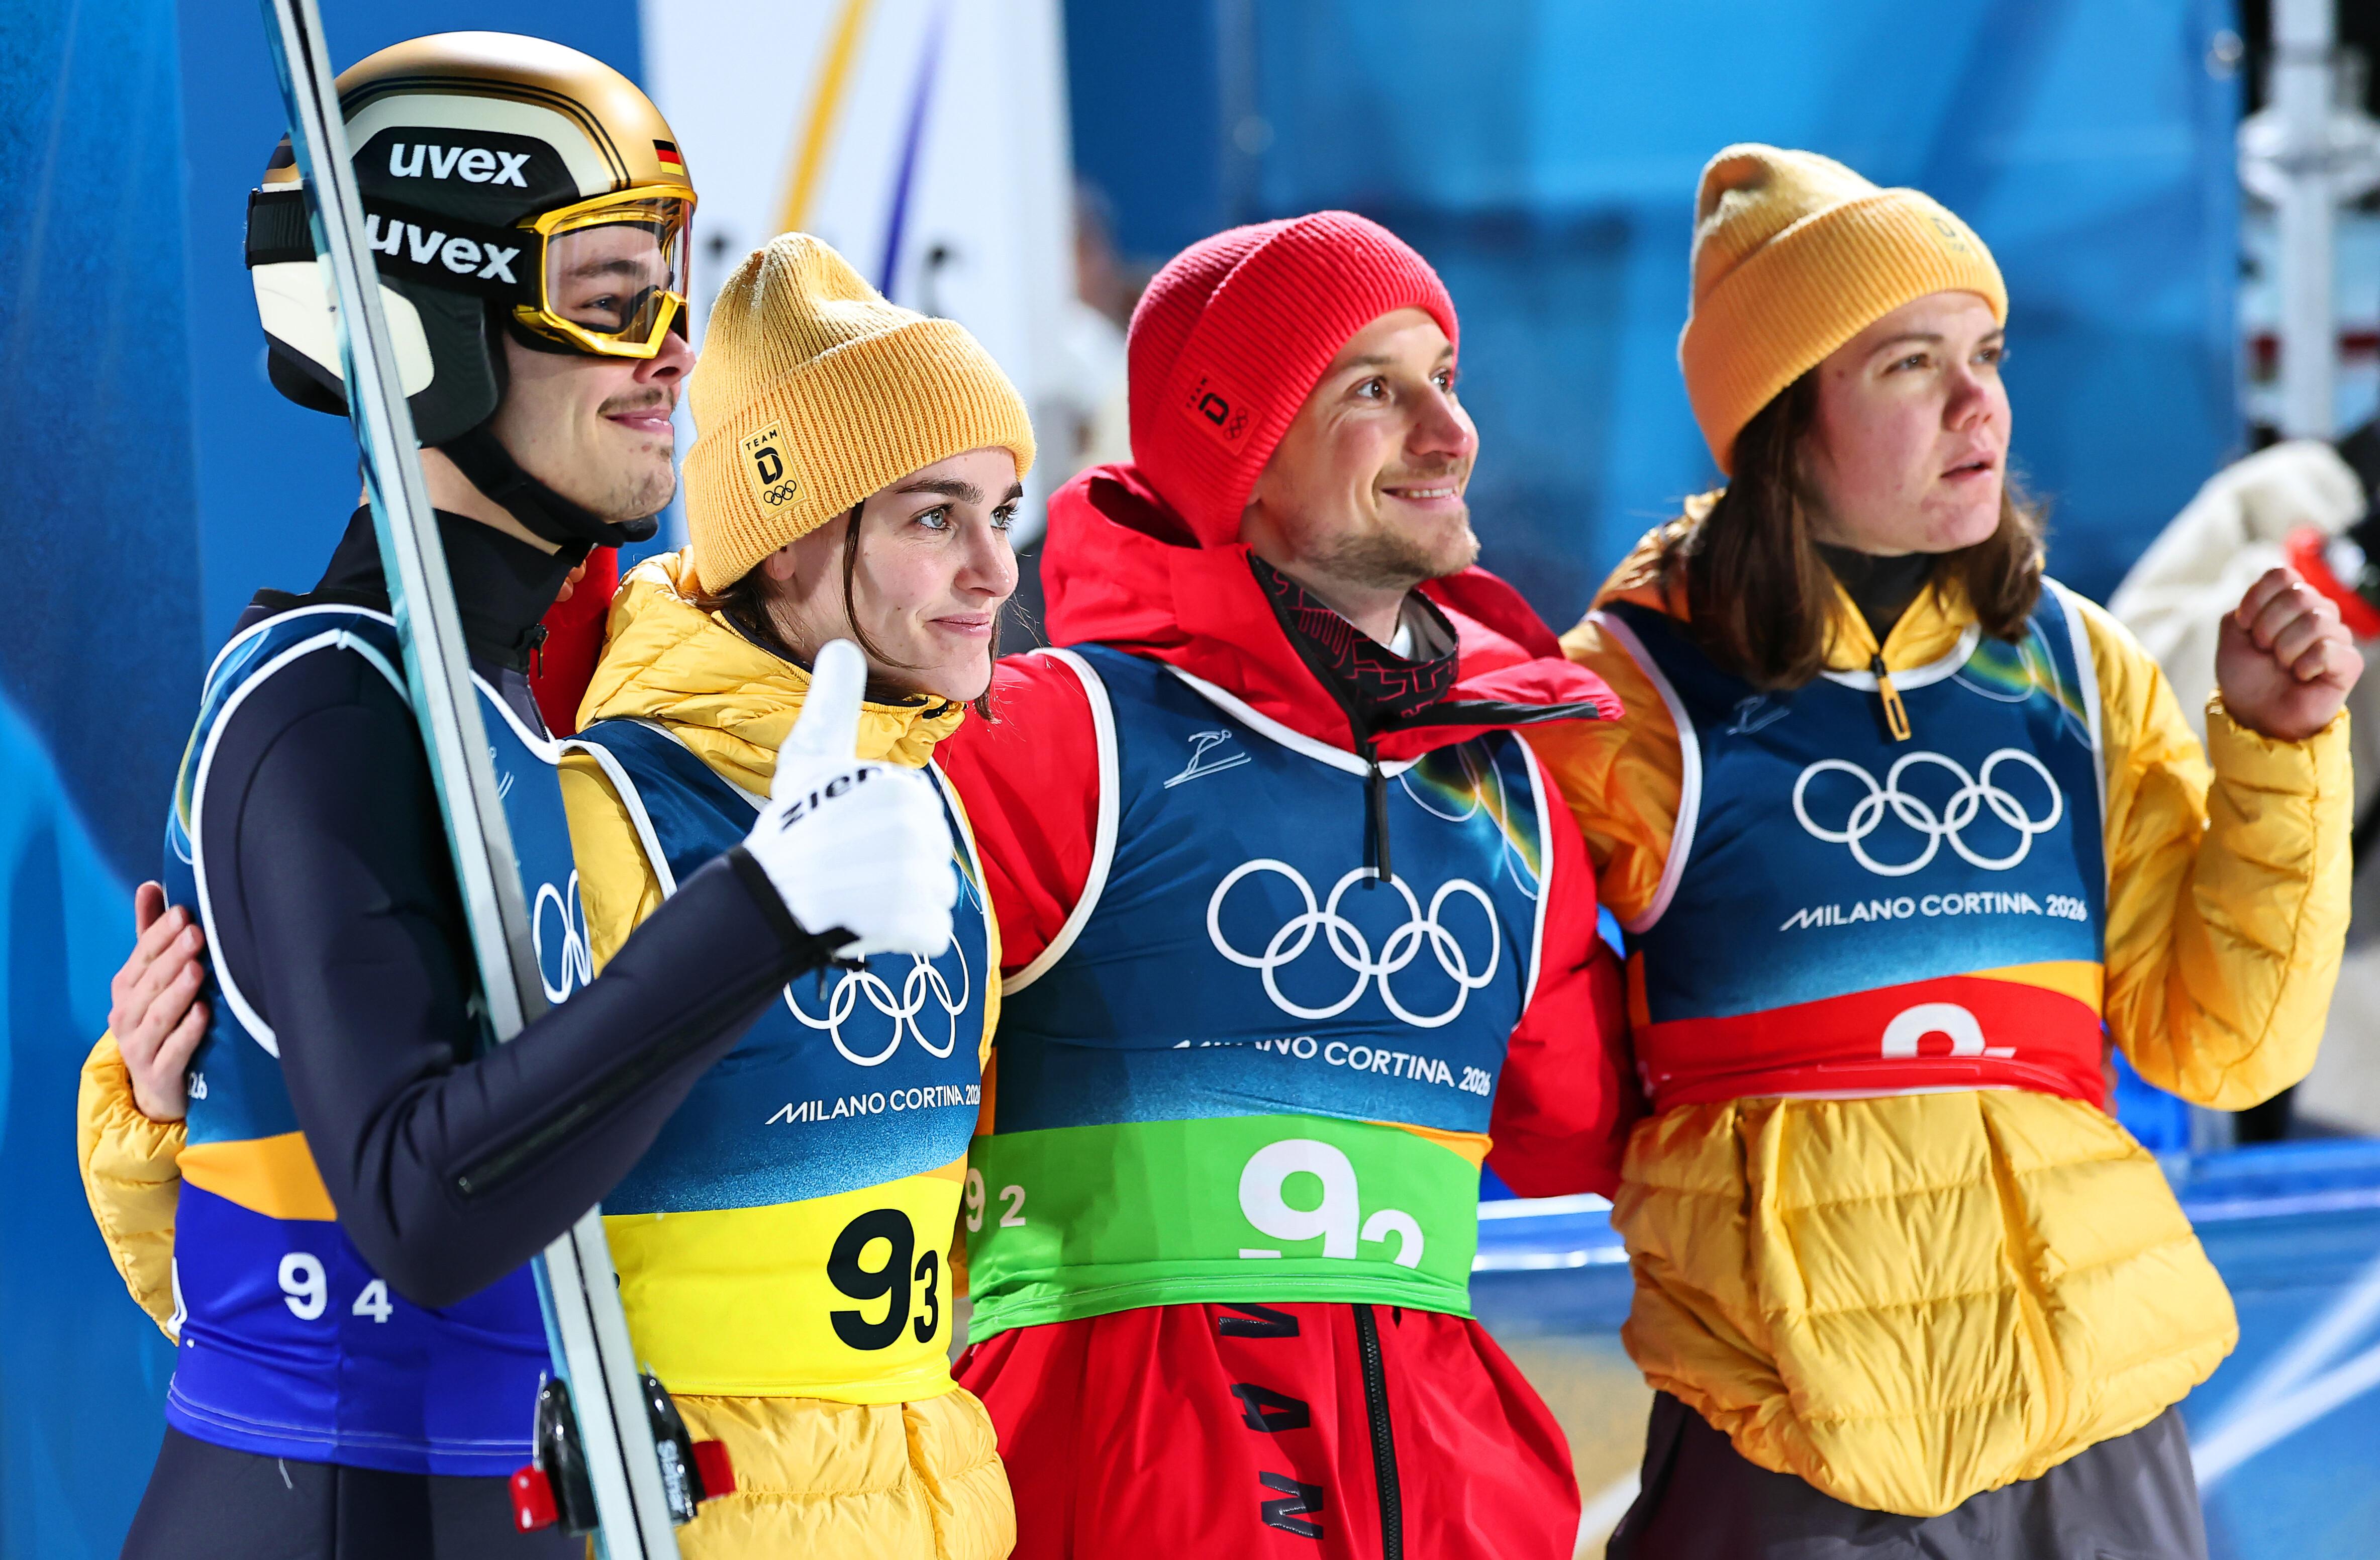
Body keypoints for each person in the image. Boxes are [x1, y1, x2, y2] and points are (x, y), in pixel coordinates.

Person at [106, 212, 1639, 1558]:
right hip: (697, 1507)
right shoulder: (622, 800)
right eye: (930, 518)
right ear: (786, 542)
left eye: (999, 515)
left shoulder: (941, 802)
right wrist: (152, 1112)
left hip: (941, 1495)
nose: (992, 571)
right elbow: (397, 1205)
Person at [83, 35, 956, 1560]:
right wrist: (767, 914)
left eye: (673, 291)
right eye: (613, 301)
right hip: (335, 1512)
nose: (673, 349)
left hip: (493, 1497)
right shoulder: (325, 709)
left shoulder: (497, 710)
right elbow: (422, 1211)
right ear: (424, 318)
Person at [1531, 145, 2357, 1556]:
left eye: (1988, 353)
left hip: (2091, 1416)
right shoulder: (1624, 696)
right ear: (1785, 421)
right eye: (1913, 365)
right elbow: (1541, 1074)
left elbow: (2226, 1050)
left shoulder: (2080, 664)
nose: (1982, 404)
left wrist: (2281, 754)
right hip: (1789, 1420)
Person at [936, 213, 1638, 1557]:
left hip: (1448, 1502)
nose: (1450, 431)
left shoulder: (1512, 794)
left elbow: (1580, 1135)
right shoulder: (1052, 739)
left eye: (1447, 375)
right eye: (1376, 389)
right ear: (1235, 453)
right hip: (1121, 1494)